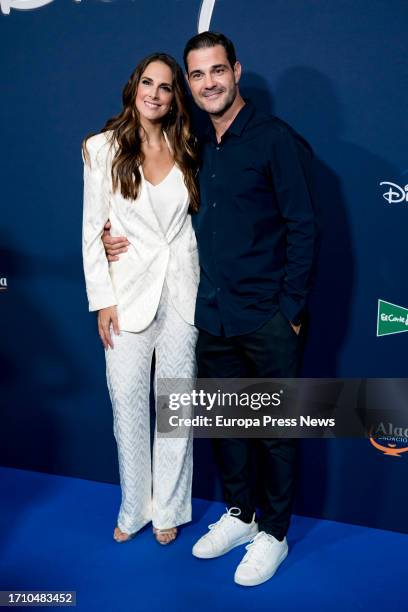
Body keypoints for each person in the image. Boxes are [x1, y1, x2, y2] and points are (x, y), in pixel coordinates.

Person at [103, 32, 318, 585]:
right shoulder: (195, 145)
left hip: (268, 317)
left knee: (272, 429)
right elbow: (159, 218)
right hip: (212, 316)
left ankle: (273, 533)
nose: (207, 83)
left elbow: (304, 227)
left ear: (237, 71)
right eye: (196, 76)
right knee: (227, 426)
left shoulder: (275, 140)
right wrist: (111, 235)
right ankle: (241, 516)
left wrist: (290, 309)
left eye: (216, 71)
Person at [82, 53, 199, 546]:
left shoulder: (187, 143)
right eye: (147, 83)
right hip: (127, 294)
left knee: (175, 406)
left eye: (166, 86)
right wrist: (102, 299)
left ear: (175, 98)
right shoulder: (101, 148)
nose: (155, 93)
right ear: (134, 87)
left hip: (182, 290)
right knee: (127, 406)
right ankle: (135, 506)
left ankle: (170, 506)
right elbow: (92, 230)